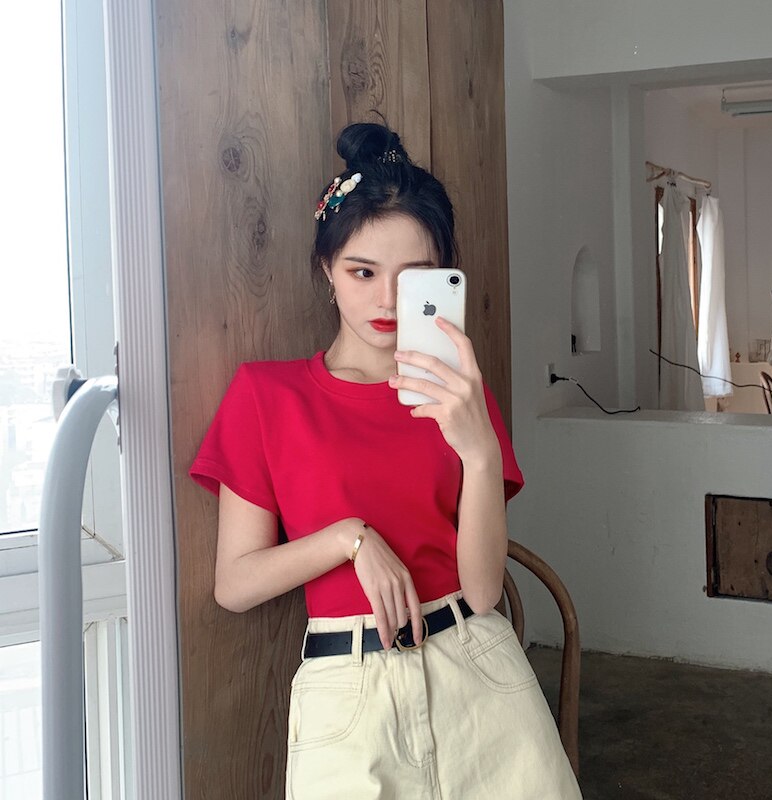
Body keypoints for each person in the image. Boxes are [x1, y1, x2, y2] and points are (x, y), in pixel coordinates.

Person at [190, 122, 582, 799]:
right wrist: (349, 539)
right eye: (362, 272)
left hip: (476, 673)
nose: (386, 301)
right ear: (326, 269)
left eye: (413, 277)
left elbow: (483, 591)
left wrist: (479, 451)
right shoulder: (267, 396)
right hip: (349, 696)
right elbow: (235, 583)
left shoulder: (461, 393)